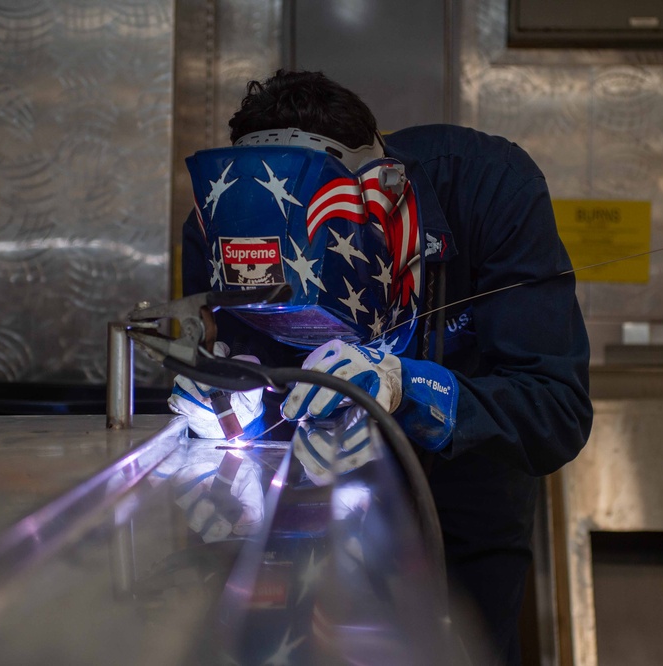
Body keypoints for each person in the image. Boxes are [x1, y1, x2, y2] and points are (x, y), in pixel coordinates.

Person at [169, 69, 593, 665]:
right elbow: (239, 369)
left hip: (467, 501)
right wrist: (231, 406)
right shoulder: (218, 224)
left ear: (382, 204)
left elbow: (557, 410)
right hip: (310, 507)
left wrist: (411, 389)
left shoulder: (490, 188)